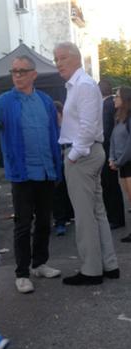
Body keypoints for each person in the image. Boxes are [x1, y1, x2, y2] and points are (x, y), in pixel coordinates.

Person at [0, 55, 62, 294]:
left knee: (45, 222)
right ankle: (22, 273)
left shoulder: (45, 101)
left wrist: (57, 166)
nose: (17, 75)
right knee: (23, 224)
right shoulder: (3, 102)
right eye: (14, 71)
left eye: (23, 71)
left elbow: (54, 133)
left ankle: (40, 263)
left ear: (34, 74)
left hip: (46, 171)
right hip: (22, 174)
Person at [54, 42, 119, 285]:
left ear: (76, 59)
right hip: (87, 153)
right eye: (56, 59)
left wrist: (72, 156)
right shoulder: (78, 85)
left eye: (62, 58)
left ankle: (91, 270)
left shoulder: (82, 85)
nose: (58, 63)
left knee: (84, 216)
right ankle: (109, 264)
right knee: (96, 212)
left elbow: (88, 127)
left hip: (82, 155)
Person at [99, 80, 126, 230]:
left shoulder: (106, 106)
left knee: (110, 186)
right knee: (111, 186)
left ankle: (115, 218)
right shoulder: (110, 105)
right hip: (111, 151)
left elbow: (107, 131)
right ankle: (116, 217)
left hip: (108, 151)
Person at [109, 87, 131, 242]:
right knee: (129, 198)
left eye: (116, 96)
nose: (114, 99)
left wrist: (118, 161)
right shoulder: (118, 118)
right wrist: (112, 158)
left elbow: (130, 144)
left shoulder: (129, 118)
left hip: (128, 163)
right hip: (122, 164)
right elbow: (112, 139)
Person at [51, 101, 74, 236]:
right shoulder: (52, 128)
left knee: (63, 191)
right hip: (57, 163)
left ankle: (64, 218)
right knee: (58, 192)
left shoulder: (66, 128)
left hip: (66, 161)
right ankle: (61, 220)